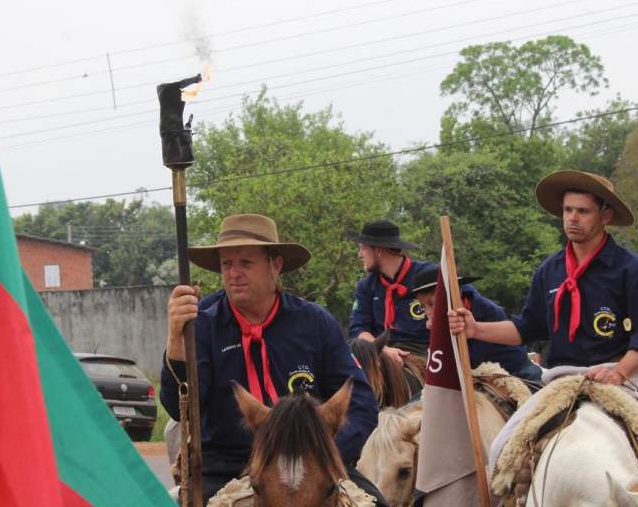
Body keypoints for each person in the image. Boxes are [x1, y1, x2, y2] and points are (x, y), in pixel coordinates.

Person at [448, 169, 638, 461]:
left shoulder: (634, 269)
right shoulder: (549, 270)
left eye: (583, 211)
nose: (572, 218)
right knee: (501, 450)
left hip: (628, 376)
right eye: (567, 210)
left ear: (605, 216)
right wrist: (475, 329)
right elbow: (528, 328)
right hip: (563, 379)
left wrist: (618, 372)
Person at [160, 214, 385, 504]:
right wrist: (176, 339)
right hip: (227, 465)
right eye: (227, 264)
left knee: (378, 503)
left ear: (275, 265)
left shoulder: (315, 322)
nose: (234, 273)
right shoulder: (202, 324)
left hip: (314, 463)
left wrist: (324, 454)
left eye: (246, 263)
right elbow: (180, 410)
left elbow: (361, 402)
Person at [411, 265, 542, 382]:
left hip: (512, 372)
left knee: (534, 397)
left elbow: (472, 360)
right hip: (471, 378)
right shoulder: (436, 319)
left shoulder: (489, 312)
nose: (428, 312)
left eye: (432, 304)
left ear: (454, 296)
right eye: (424, 306)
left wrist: (443, 332)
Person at [347, 220, 435, 367]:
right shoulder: (366, 286)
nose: (359, 255)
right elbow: (358, 329)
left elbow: (467, 303)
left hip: (424, 355)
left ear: (379, 251)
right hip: (381, 353)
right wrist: (384, 349)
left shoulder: (429, 275)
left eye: (363, 248)